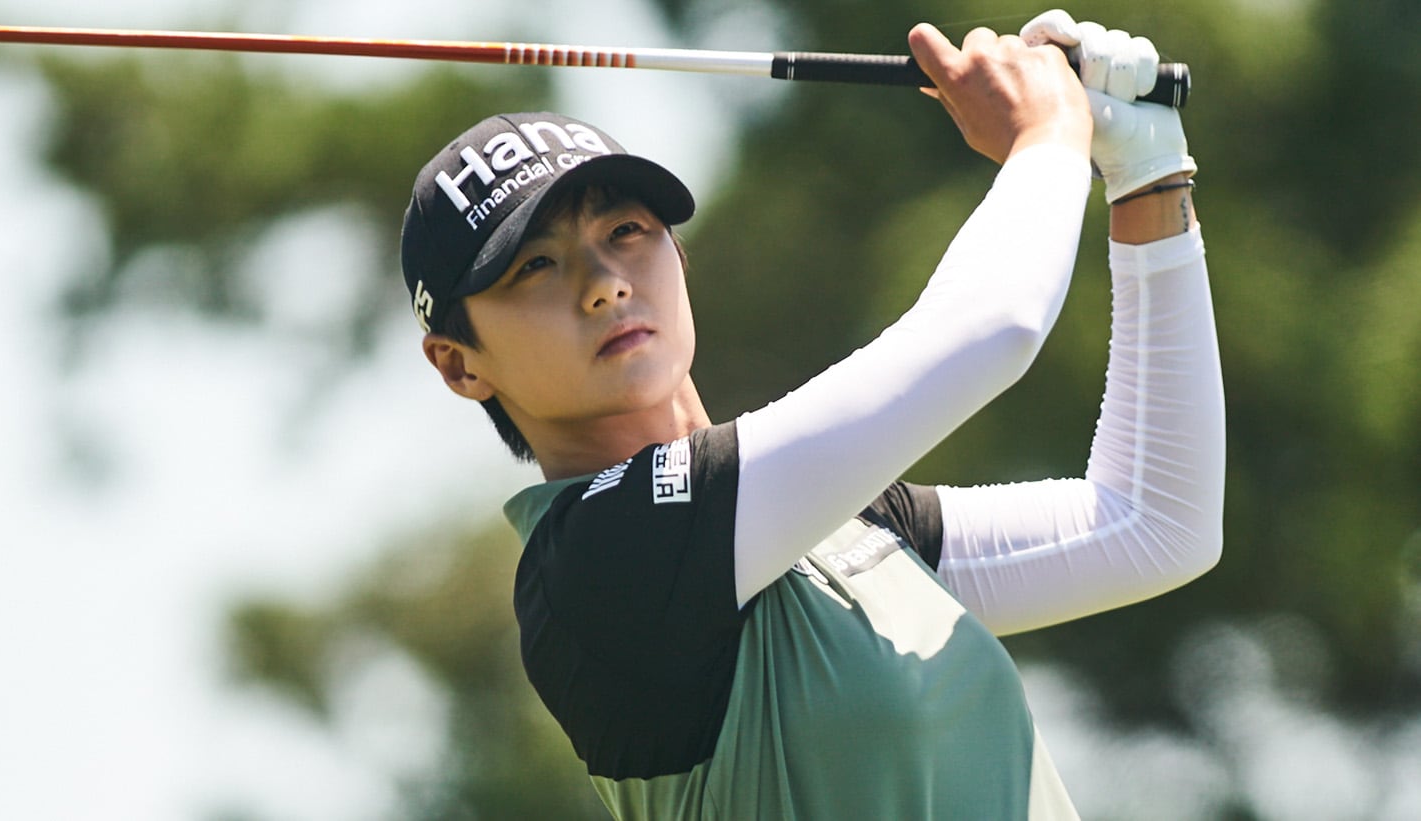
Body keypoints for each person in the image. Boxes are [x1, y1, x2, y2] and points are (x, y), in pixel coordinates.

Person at [399, 9, 1223, 819]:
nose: (605, 283)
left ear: (677, 252)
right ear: (458, 362)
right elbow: (990, 329)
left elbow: (1153, 525)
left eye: (626, 230)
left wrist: (1148, 176)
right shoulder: (601, 560)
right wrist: (1051, 132)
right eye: (536, 265)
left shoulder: (834, 527)